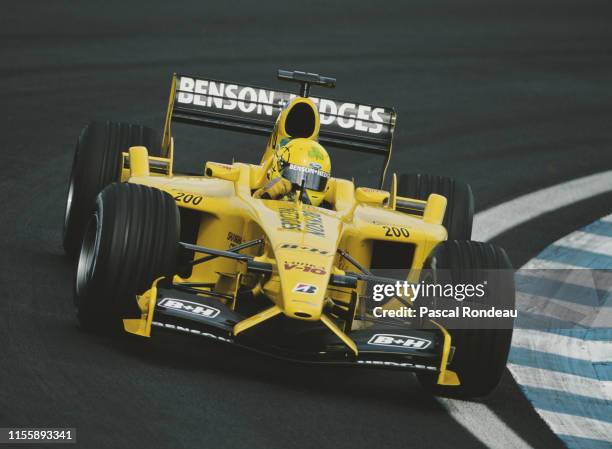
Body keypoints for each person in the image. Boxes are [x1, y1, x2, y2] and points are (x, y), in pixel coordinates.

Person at [254, 138, 331, 207]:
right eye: (295, 176)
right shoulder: (257, 193)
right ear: (277, 168)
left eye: (314, 182)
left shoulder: (331, 209)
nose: (304, 190)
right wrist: (266, 195)